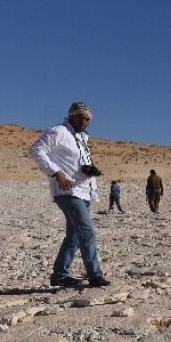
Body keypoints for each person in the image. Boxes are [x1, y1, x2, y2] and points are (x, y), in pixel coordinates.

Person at [29, 101, 111, 288]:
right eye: (80, 117)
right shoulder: (59, 132)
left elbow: (73, 163)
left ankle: (60, 275)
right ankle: (95, 275)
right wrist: (56, 172)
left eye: (87, 119)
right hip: (68, 191)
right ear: (71, 116)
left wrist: (88, 171)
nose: (84, 121)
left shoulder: (82, 138)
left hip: (84, 191)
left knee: (74, 234)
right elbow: (36, 150)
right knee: (86, 232)